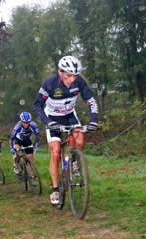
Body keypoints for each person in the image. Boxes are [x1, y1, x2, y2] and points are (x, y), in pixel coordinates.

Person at [33, 55, 99, 205]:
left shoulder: (79, 82)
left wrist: (94, 121)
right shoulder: (49, 84)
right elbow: (37, 105)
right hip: (52, 118)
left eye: (75, 76)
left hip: (70, 115)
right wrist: (48, 122)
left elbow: (91, 101)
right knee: (55, 152)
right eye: (68, 75)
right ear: (60, 72)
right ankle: (55, 189)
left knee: (80, 139)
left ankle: (73, 162)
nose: (72, 80)